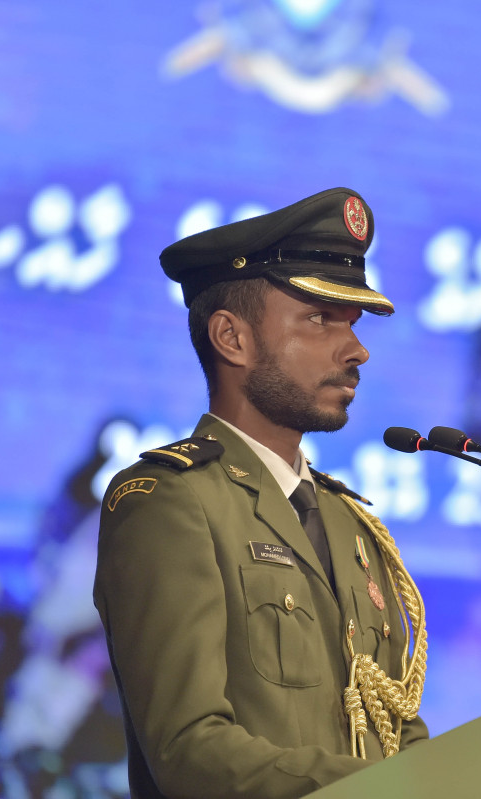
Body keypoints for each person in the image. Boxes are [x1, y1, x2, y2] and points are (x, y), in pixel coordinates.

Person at [93, 187, 429, 799]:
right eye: (319, 318)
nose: (357, 350)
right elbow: (190, 751)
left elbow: (395, 731)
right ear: (232, 338)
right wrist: (392, 787)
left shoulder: (349, 522)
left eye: (352, 323)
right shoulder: (171, 503)